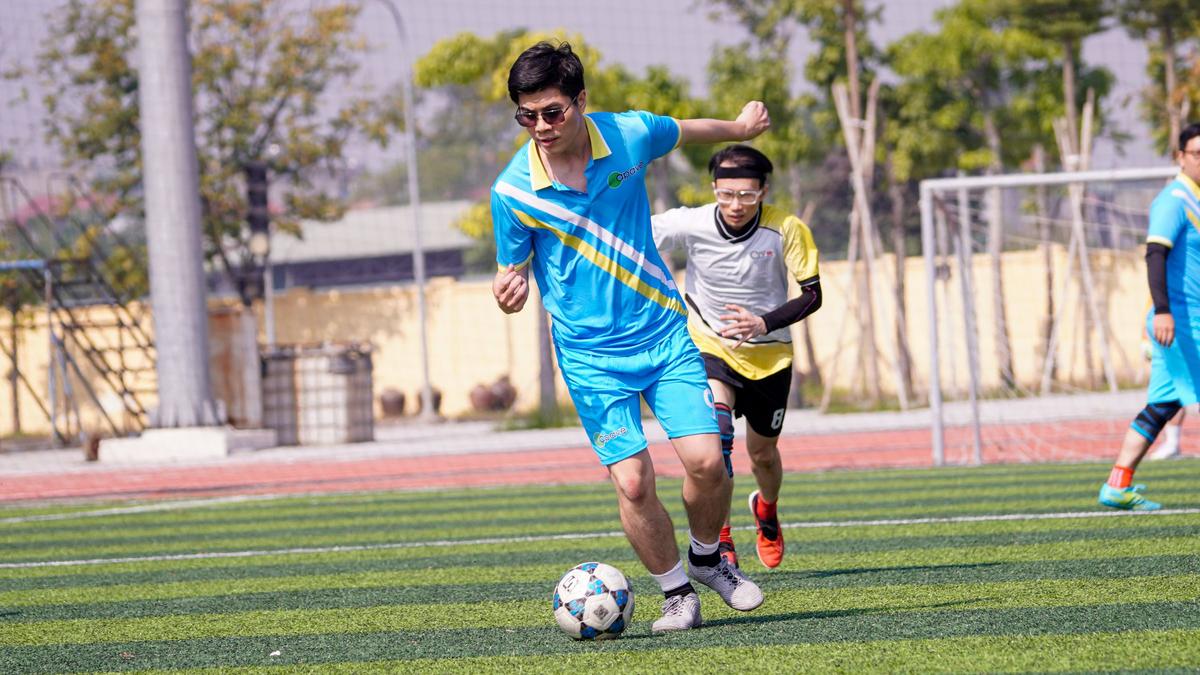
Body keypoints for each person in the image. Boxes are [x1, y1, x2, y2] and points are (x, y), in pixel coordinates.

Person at [490, 42, 769, 633]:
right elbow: (510, 268)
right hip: (590, 357)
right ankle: (677, 595)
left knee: (708, 463)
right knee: (634, 481)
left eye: (552, 112)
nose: (541, 126)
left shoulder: (628, 134)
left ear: (581, 101)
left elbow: (685, 130)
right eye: (527, 115)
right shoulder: (512, 191)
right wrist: (507, 287)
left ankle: (707, 559)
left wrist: (740, 128)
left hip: (663, 335)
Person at [652, 145, 821, 569]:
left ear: (763, 191)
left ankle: (766, 508)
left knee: (762, 455)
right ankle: (721, 538)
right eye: (726, 194)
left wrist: (763, 323)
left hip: (770, 357)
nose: (735, 204)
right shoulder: (691, 222)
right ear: (714, 188)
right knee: (718, 438)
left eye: (746, 195)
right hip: (710, 348)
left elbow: (812, 295)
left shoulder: (786, 228)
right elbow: (627, 237)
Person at [1098, 122, 1200, 510]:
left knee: (1162, 407)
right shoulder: (1174, 200)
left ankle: (1117, 485)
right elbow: (1155, 254)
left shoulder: (1195, 200)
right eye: (1197, 154)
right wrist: (1163, 311)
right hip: (1182, 322)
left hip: (1186, 320)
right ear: (1180, 157)